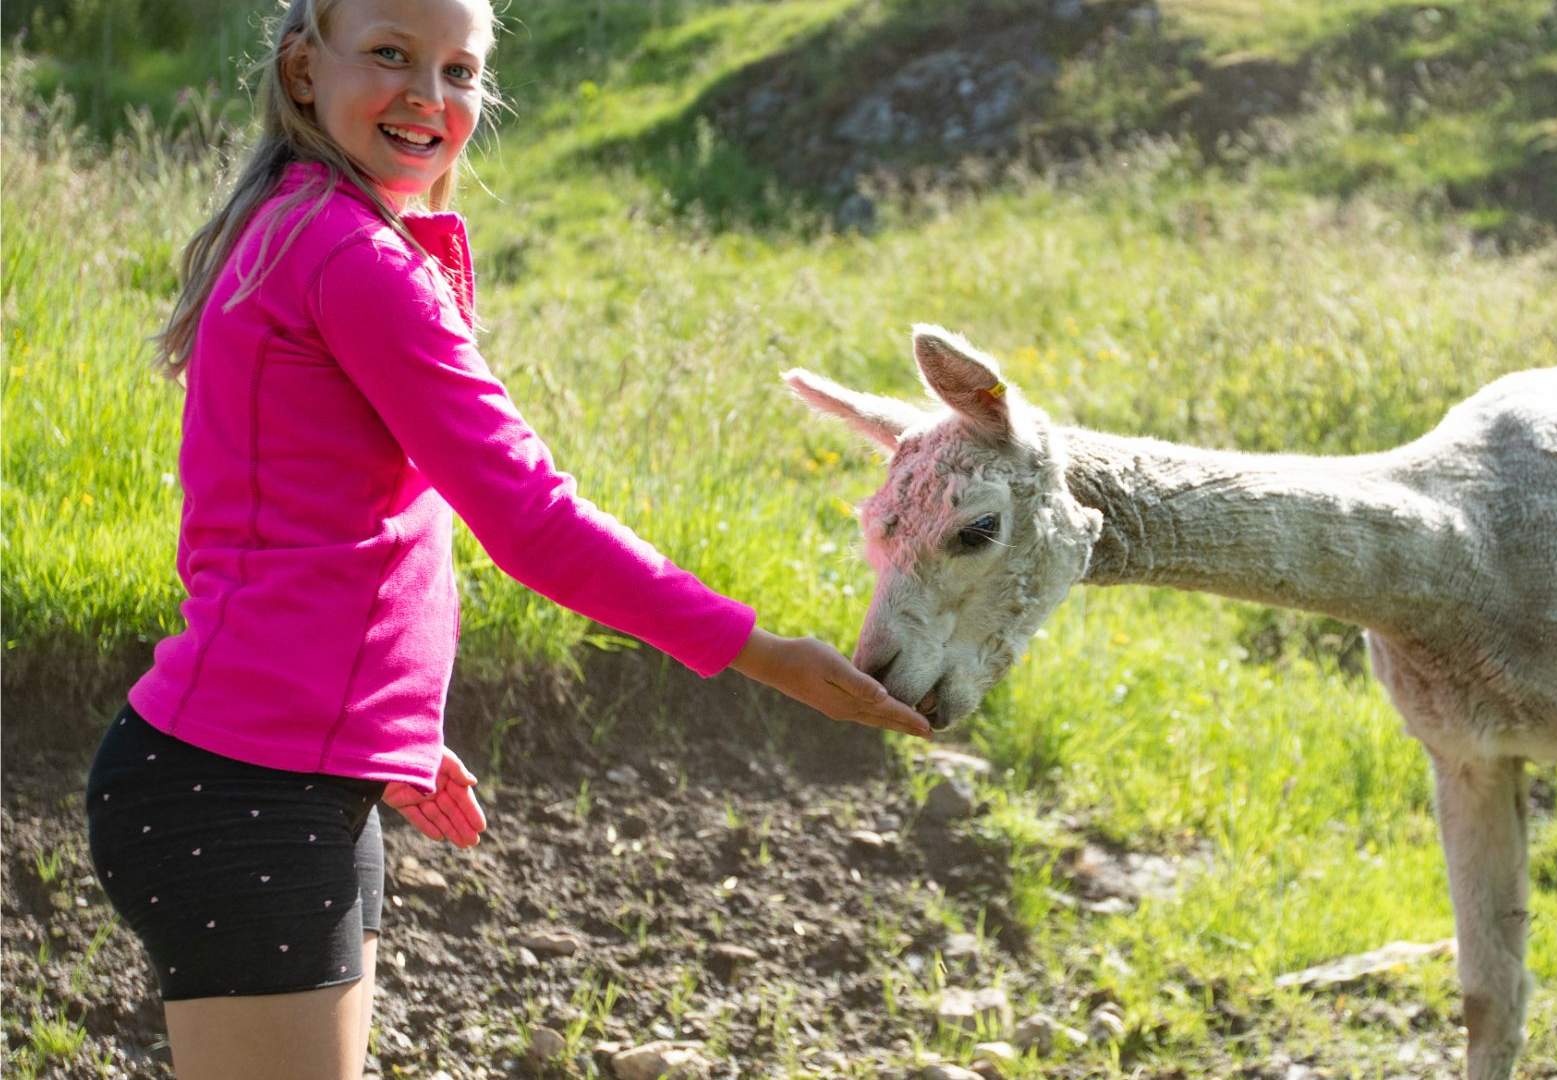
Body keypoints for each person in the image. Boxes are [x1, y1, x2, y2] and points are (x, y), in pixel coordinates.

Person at [83, 0, 932, 1075]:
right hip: (245, 788)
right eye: (390, 55)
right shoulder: (353, 257)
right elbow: (532, 520)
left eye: (459, 70)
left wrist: (369, 727)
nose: (427, 97)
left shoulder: (299, 227)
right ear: (303, 71)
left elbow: (278, 524)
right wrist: (761, 654)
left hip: (284, 773)